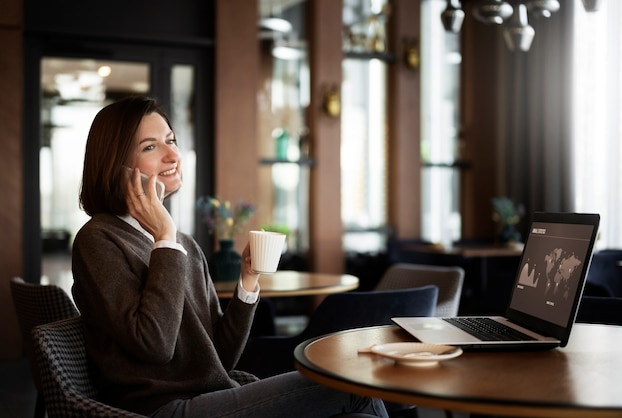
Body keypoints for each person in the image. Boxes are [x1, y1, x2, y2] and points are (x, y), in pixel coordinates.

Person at [71, 95, 388, 418]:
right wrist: (164, 238)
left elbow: (220, 358)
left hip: (213, 396)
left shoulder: (184, 246)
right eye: (150, 147)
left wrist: (247, 282)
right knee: (353, 386)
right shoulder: (100, 239)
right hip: (160, 409)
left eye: (171, 141)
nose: (173, 155)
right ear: (116, 164)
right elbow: (153, 344)